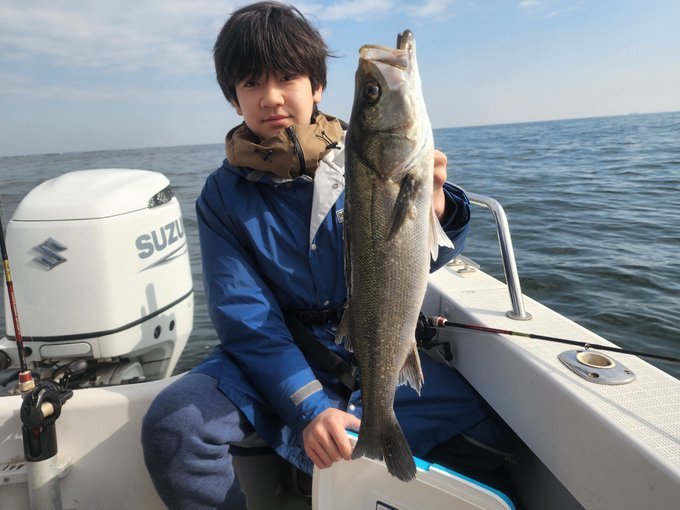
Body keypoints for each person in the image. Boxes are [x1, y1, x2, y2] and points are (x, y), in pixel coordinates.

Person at [141, 2, 517, 509]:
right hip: (272, 359)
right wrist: (308, 406)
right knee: (176, 424)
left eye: (287, 77)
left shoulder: (361, 161)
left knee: (493, 433)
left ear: (317, 86)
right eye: (251, 83)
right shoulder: (222, 196)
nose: (271, 97)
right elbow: (246, 316)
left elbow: (413, 266)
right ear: (233, 98)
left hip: (369, 346)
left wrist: (442, 210)